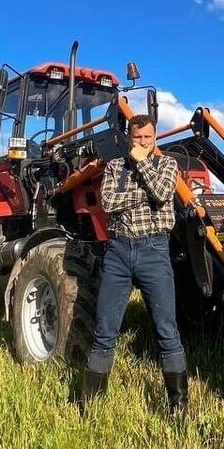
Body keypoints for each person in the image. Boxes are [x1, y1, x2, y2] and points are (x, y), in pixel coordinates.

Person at [81, 114, 188, 414]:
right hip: (118, 252)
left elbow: (164, 192)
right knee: (105, 329)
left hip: (154, 251)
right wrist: (144, 194)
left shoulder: (168, 165)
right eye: (137, 138)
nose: (142, 142)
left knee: (167, 330)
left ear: (155, 138)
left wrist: (141, 163)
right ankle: (91, 404)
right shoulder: (115, 167)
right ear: (128, 137)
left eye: (148, 138)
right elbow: (108, 203)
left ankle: (178, 407)